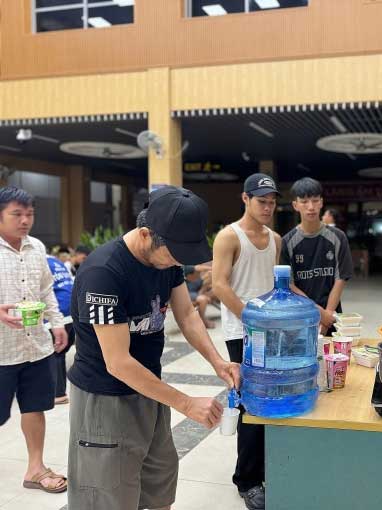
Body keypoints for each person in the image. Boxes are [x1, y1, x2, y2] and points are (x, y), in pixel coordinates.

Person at [67, 186, 240, 510]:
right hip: (105, 399)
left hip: (150, 390)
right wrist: (187, 404)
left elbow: (187, 314)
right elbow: (117, 363)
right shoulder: (104, 273)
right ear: (146, 234)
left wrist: (218, 361)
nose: (178, 262)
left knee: (159, 488)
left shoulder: (168, 260)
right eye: (174, 254)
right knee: (109, 497)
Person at [212, 173, 282, 510]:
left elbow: (278, 283)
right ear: (245, 199)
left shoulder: (276, 239)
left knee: (274, 400)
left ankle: (268, 468)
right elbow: (220, 285)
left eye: (271, 202)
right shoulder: (229, 237)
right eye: (261, 201)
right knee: (251, 404)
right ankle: (248, 481)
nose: (267, 207)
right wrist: (252, 318)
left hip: (273, 331)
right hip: (243, 333)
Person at [0, 186, 69, 494]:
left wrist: (57, 324)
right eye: (17, 214)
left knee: (34, 406)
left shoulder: (37, 247)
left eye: (29, 214)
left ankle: (35, 469)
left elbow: (46, 291)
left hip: (35, 346)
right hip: (1, 351)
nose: (25, 220)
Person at [281, 178, 353, 335]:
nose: (311, 207)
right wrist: (319, 313)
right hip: (299, 318)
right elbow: (289, 284)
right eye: (304, 201)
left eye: (315, 200)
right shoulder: (287, 242)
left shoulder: (338, 237)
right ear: (295, 205)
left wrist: (327, 316)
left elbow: (340, 279)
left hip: (332, 316)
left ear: (321, 202)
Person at [46, 251, 76, 405]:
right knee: (59, 353)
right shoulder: (55, 261)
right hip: (71, 312)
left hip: (58, 314)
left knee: (54, 352)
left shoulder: (36, 261)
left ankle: (58, 393)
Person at [184, 263, 216, 329]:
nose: (199, 274)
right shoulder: (185, 267)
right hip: (188, 292)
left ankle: (201, 293)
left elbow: (198, 268)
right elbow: (197, 268)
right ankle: (203, 321)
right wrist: (212, 268)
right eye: (197, 273)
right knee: (203, 299)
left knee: (215, 290)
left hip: (196, 289)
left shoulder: (196, 278)